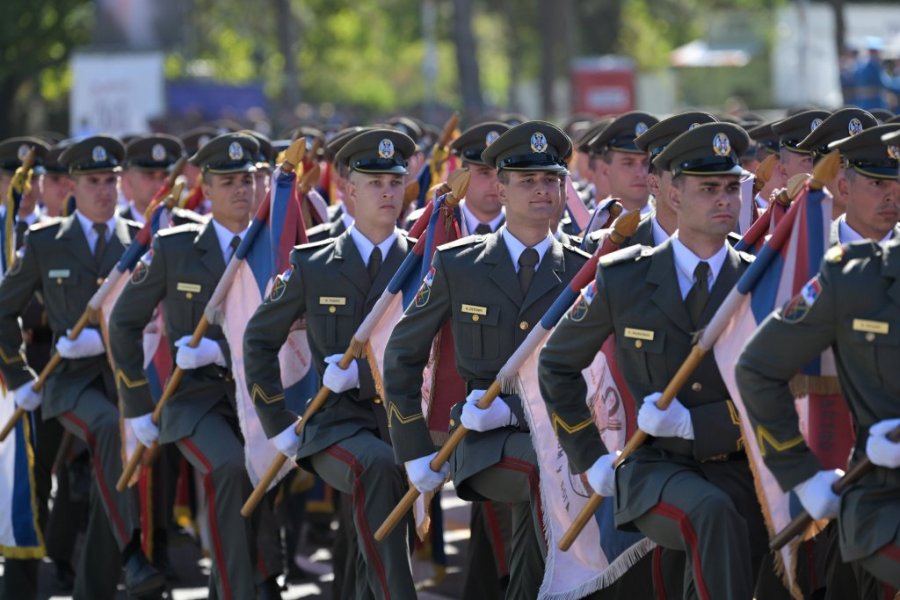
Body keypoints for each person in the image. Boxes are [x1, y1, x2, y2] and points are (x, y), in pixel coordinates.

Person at [539, 122, 770, 599]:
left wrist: (697, 424)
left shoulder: (759, 283)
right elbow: (557, 364)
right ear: (672, 194)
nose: (724, 200)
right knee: (712, 512)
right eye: (708, 189)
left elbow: (782, 385)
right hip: (653, 467)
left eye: (730, 188)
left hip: (741, 463)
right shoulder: (625, 277)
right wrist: (590, 457)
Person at [383, 121, 590, 599]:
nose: (542, 190)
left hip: (559, 433)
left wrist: (517, 411)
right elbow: (402, 354)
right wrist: (413, 449)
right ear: (501, 188)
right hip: (480, 441)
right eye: (527, 180)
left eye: (551, 180)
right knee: (544, 472)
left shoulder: (582, 270)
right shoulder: (460, 264)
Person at [244, 128, 419, 600]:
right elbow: (259, 339)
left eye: (395, 182)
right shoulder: (315, 264)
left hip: (404, 422)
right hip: (334, 426)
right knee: (378, 468)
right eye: (374, 182)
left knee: (373, 530)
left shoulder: (425, 264)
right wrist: (277, 421)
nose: (387, 192)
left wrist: (367, 377)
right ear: (348, 191)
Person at [108, 132, 283, 600]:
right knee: (230, 468)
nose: (241, 189)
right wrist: (137, 406)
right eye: (228, 182)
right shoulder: (176, 248)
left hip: (256, 396)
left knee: (260, 483)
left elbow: (287, 332)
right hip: (193, 400)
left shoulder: (275, 248)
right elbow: (123, 322)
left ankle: (239, 583)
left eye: (247, 180)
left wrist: (221, 351)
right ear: (205, 188)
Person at [734, 132, 899, 597]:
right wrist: (802, 477)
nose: (893, 196)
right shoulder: (855, 276)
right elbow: (757, 368)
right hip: (884, 495)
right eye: (880, 183)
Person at [0, 135, 165, 599]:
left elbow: (156, 315)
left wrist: (111, 338)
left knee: (112, 479)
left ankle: (95, 588)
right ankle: (131, 551)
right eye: (93, 181)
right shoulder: (46, 241)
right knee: (106, 432)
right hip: (67, 381)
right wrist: (18, 376)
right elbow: (4, 310)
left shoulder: (138, 241)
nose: (104, 190)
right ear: (72, 185)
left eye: (110, 180)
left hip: (124, 379)